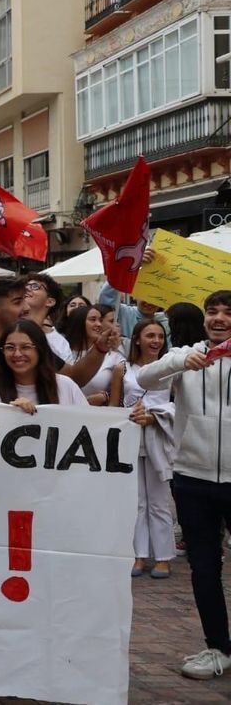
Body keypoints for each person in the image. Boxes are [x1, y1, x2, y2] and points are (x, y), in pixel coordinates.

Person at [137, 291, 231, 680]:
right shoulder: (190, 354)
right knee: (204, 568)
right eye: (213, 312)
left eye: (228, 312)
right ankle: (218, 648)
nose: (219, 318)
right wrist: (179, 359)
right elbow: (144, 376)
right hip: (192, 478)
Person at [124, 319, 175, 580]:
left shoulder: (170, 369)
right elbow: (114, 404)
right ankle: (139, 554)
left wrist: (156, 416)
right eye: (150, 336)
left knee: (158, 500)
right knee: (136, 500)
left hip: (159, 436)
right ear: (137, 339)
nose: (156, 341)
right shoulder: (123, 368)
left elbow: (180, 405)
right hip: (131, 436)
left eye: (160, 336)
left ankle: (164, 556)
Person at [0, 320, 87, 412]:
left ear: (40, 350)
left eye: (25, 347)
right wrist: (12, 415)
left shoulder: (66, 386)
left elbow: (87, 424)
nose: (17, 354)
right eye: (10, 347)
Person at [62, 305, 126, 407]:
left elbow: (127, 389)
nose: (99, 324)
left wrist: (106, 396)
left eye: (100, 320)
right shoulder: (61, 351)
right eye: (93, 320)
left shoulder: (113, 357)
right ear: (78, 322)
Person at [98, 281, 169, 342]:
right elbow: (106, 296)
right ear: (135, 296)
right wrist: (125, 270)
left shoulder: (166, 323)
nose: (149, 302)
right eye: (145, 296)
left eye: (155, 298)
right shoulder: (123, 312)